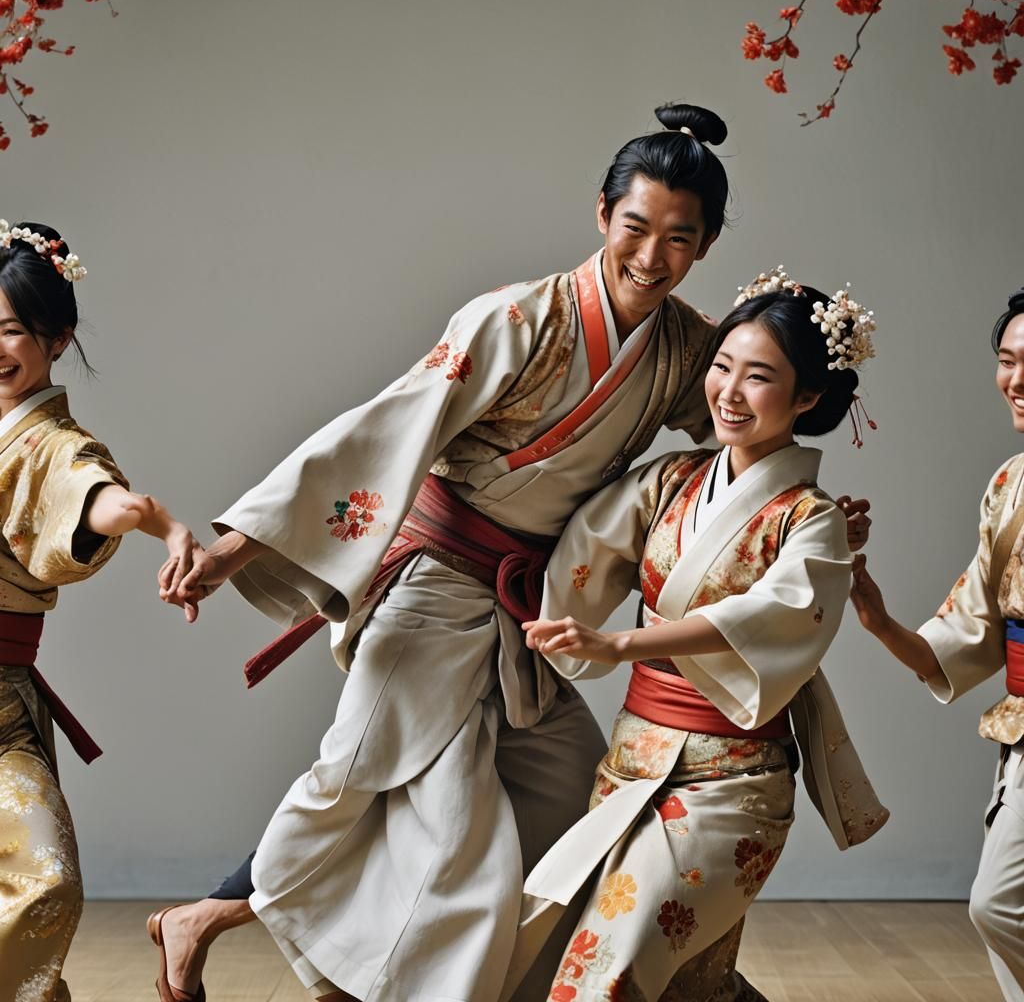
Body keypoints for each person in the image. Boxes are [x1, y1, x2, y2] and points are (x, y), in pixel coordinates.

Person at [157, 109, 869, 1002]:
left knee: (566, 786)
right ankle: (218, 917)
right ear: (602, 213)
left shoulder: (690, 346)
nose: (650, 257)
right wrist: (238, 544)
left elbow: (742, 425)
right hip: (433, 582)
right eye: (635, 228)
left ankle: (478, 977)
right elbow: (391, 426)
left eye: (678, 240)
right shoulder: (518, 318)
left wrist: (800, 519)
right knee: (363, 778)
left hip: (526, 606)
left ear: (707, 245)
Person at [511, 268, 888, 1001]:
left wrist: (621, 644)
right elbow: (572, 541)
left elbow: (771, 618)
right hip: (632, 761)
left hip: (733, 783)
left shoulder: (812, 522)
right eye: (721, 367)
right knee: (691, 984)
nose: (729, 392)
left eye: (759, 378)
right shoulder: (671, 482)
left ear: (807, 398)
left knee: (605, 973)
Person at [0, 221, 197, 1002]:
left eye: (12, 330)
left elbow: (92, 492)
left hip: (0, 711)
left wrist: (144, 517)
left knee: (43, 881)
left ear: (57, 339)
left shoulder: (51, 444)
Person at [850, 286, 1024, 1002]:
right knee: (1003, 906)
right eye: (1008, 360)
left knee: (1002, 904)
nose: (1017, 380)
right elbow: (972, 629)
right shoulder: (1011, 484)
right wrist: (882, 622)